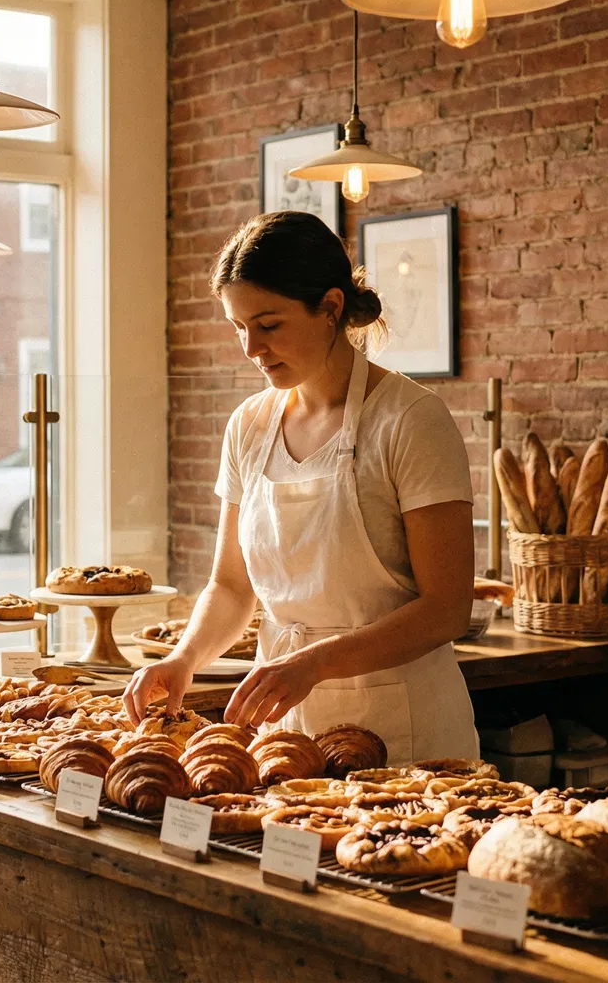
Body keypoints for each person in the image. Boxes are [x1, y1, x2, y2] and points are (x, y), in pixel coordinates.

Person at [123, 210, 479, 763]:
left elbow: (447, 608)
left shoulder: (412, 420)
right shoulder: (249, 425)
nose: (251, 349)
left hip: (405, 733)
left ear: (331, 308)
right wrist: (185, 659)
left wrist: (313, 663)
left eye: (268, 324)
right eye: (239, 328)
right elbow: (231, 586)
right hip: (284, 725)